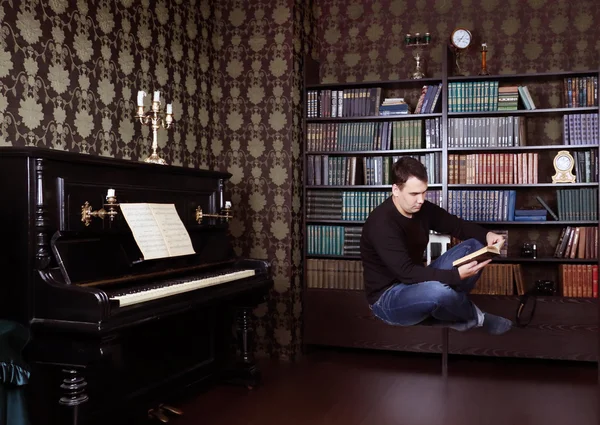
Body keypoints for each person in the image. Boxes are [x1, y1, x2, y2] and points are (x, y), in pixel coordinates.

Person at [360, 156, 513, 335]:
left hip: (415, 283)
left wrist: (487, 234)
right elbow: (407, 273)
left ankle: (446, 311)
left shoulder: (422, 209)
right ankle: (475, 318)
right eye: (414, 194)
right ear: (396, 190)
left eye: (424, 192)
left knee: (475, 245)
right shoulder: (382, 223)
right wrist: (455, 276)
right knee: (437, 291)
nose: (421, 199)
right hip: (387, 299)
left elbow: (457, 226)